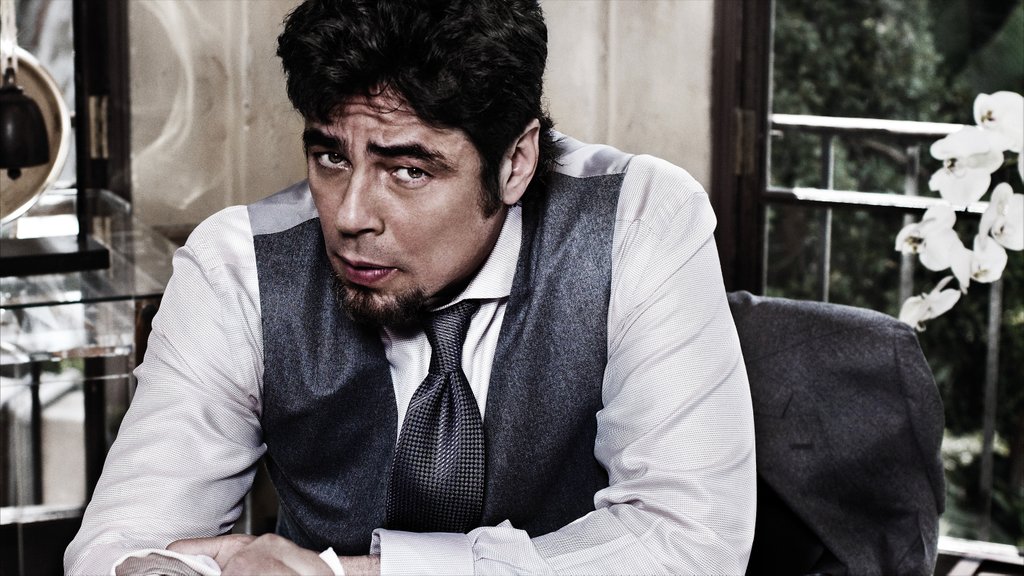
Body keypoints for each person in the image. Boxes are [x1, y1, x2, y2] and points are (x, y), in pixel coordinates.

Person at [65, 0, 756, 574]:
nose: (350, 216)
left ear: (515, 162)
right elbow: (118, 544)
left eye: (409, 171)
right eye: (331, 157)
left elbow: (691, 547)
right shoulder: (235, 266)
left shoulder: (639, 220)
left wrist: (359, 575)